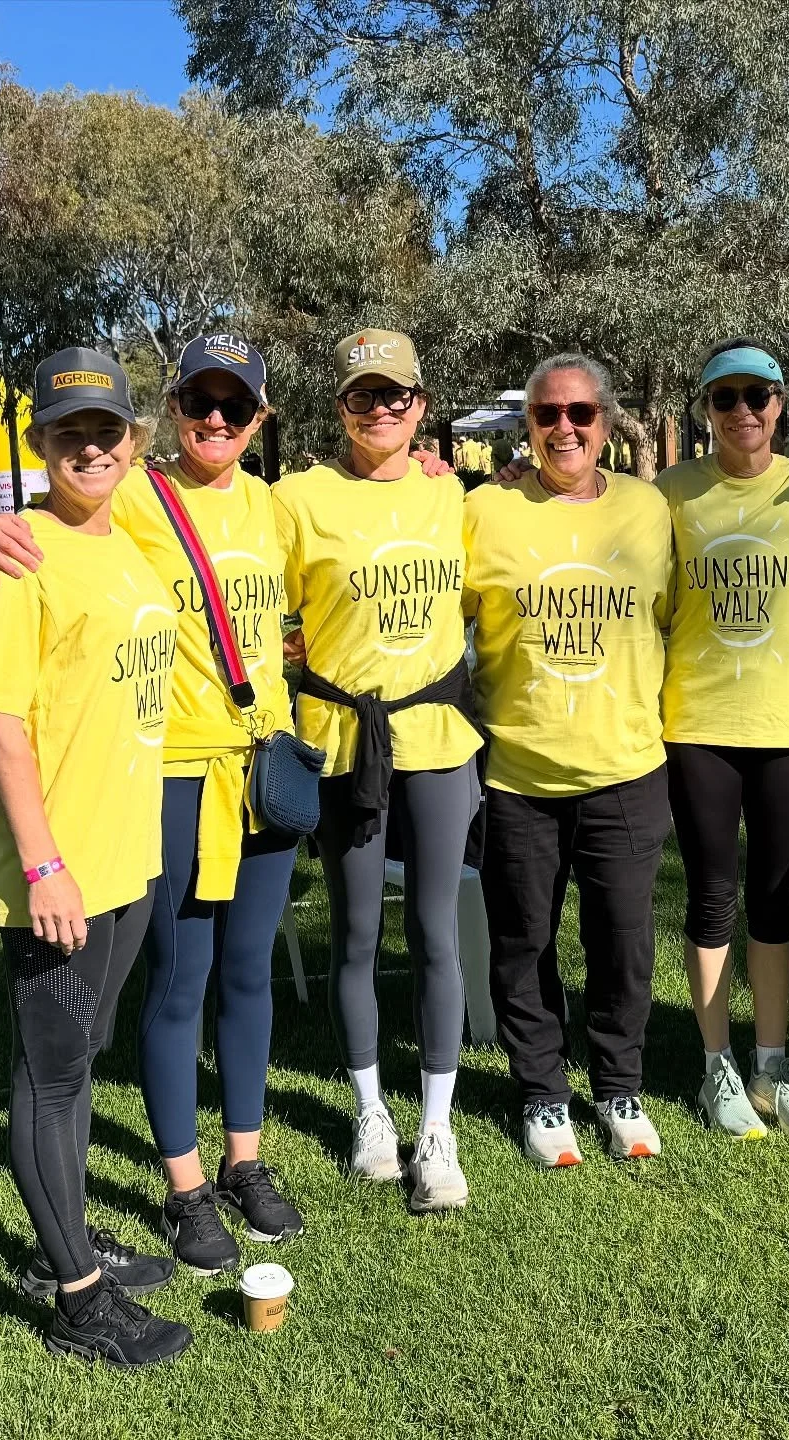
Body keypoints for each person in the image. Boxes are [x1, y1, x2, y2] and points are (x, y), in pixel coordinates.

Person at [0, 334, 305, 1277]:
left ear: (260, 418)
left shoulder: (275, 504)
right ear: (174, 412)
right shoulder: (132, 493)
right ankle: (173, 1198)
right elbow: (7, 688)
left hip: (243, 778)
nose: (219, 420)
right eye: (202, 400)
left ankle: (240, 1164)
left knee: (239, 979)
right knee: (161, 996)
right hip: (160, 790)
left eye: (238, 406)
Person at [0, 348, 189, 1367]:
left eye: (107, 429)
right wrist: (46, 867)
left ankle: (69, 1240)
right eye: (68, 433)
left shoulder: (129, 543)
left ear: (134, 441)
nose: (90, 446)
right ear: (41, 446)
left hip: (126, 854)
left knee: (80, 1060)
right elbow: (1, 725)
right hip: (62, 870)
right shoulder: (17, 559)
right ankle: (79, 1302)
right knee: (49, 1079)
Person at [275, 329, 481, 1213]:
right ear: (340, 408)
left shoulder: (457, 498)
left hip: (436, 741)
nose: (380, 411)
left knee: (435, 930)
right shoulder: (297, 498)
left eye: (395, 396)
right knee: (357, 933)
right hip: (343, 743)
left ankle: (437, 1128)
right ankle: (370, 1114)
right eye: (362, 397)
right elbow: (236, 570)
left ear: (421, 407)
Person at [465, 354, 673, 1167]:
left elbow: (677, 611)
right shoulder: (484, 511)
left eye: (581, 413)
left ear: (607, 421)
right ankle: (543, 1093)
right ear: (527, 424)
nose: (564, 429)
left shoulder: (652, 511)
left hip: (626, 768)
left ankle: (620, 1085)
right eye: (547, 415)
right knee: (524, 945)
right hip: (519, 773)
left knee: (624, 943)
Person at [657, 341, 789, 1140]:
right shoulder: (669, 495)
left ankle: (771, 1062)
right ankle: (717, 1068)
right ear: (704, 409)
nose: (744, 412)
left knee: (776, 902)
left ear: (784, 404)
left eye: (759, 396)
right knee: (712, 898)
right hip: (699, 726)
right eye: (725, 397)